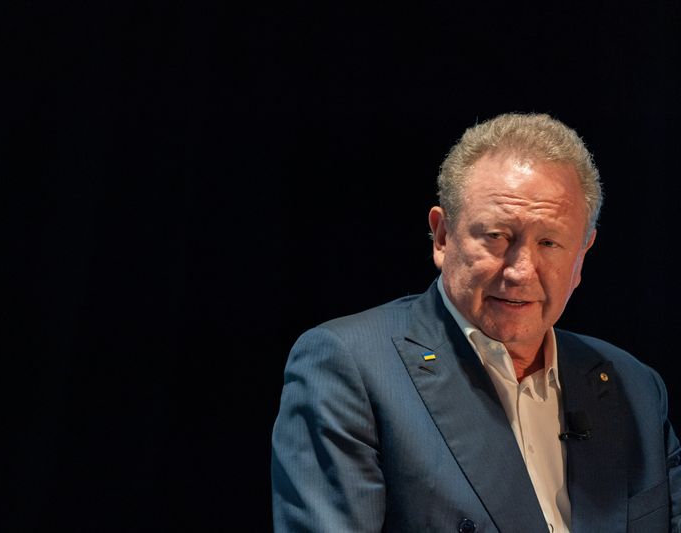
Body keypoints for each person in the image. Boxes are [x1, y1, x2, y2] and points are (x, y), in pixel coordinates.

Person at [271, 113, 681, 532]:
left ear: (582, 255)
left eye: (549, 243)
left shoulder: (636, 387)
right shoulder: (349, 368)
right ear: (443, 236)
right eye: (497, 236)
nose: (521, 271)